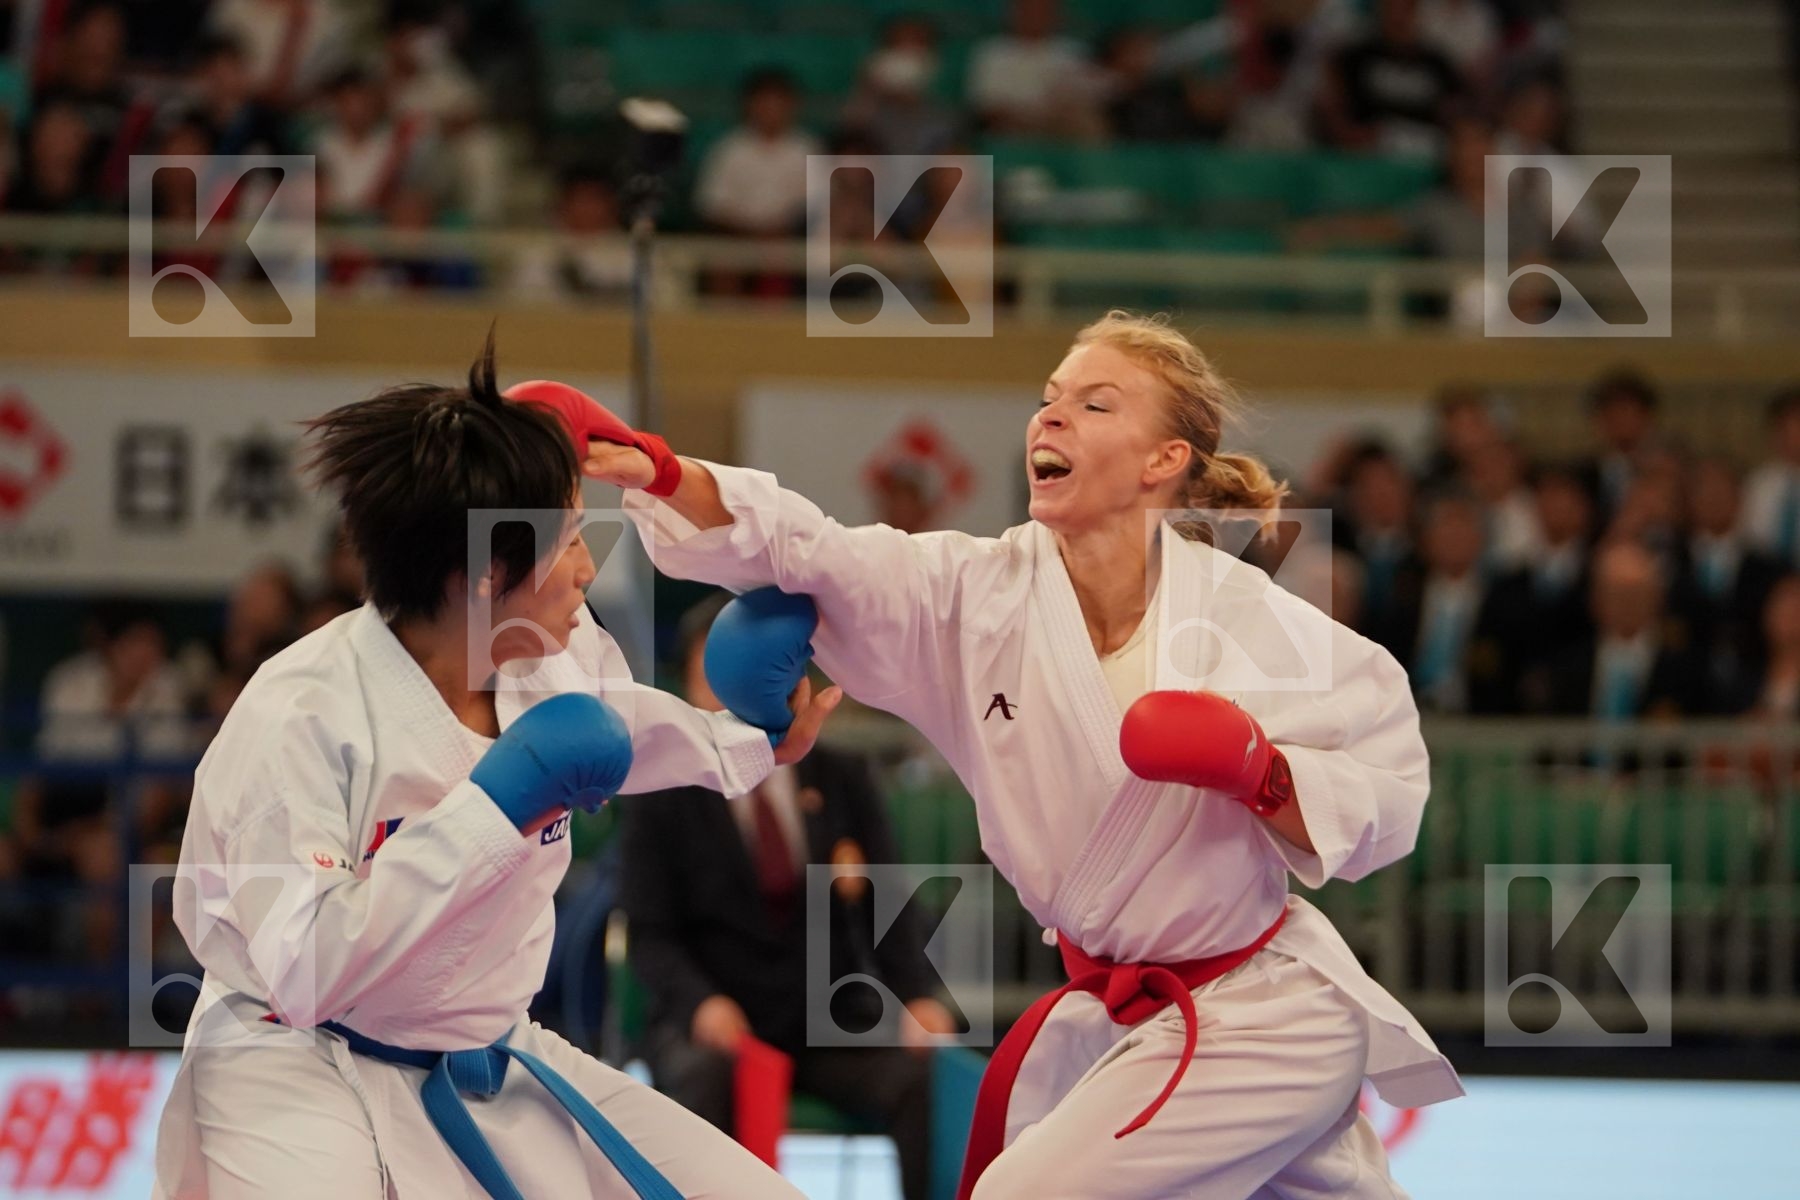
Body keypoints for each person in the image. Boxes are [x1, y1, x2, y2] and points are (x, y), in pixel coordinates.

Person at [577, 310, 1462, 1198]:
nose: (1051, 416)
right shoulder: (975, 597)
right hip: (1126, 1018)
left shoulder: (1249, 624)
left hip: (1263, 1014)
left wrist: (1262, 773)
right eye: (1048, 399)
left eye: (1095, 403)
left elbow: (1390, 794)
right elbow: (817, 554)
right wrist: (661, 469)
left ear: (1165, 461)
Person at [152, 343, 838, 1199]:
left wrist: (752, 743)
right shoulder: (300, 718)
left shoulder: (543, 654)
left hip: (488, 1049)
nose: (589, 570)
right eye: (571, 541)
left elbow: (620, 728)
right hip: (295, 1065)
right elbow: (309, 971)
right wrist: (490, 806)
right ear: (483, 575)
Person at [621, 595, 955, 1200]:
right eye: (719, 679)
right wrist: (703, 1006)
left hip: (825, 1018)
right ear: (691, 690)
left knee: (923, 1074)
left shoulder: (842, 779)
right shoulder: (660, 789)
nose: (740, 696)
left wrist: (916, 997)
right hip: (718, 1019)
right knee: (703, 1075)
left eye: (764, 675)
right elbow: (651, 932)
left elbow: (888, 900)